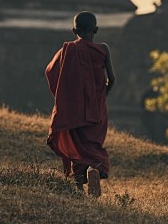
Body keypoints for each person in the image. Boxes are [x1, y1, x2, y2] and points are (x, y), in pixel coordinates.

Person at [45, 11, 116, 197]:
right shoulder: (103, 49)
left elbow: (51, 72)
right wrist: (102, 96)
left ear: (74, 30)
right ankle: (93, 170)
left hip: (74, 110)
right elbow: (113, 79)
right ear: (96, 30)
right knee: (93, 146)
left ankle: (78, 191)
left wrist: (65, 97)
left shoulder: (68, 49)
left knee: (77, 147)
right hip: (97, 109)